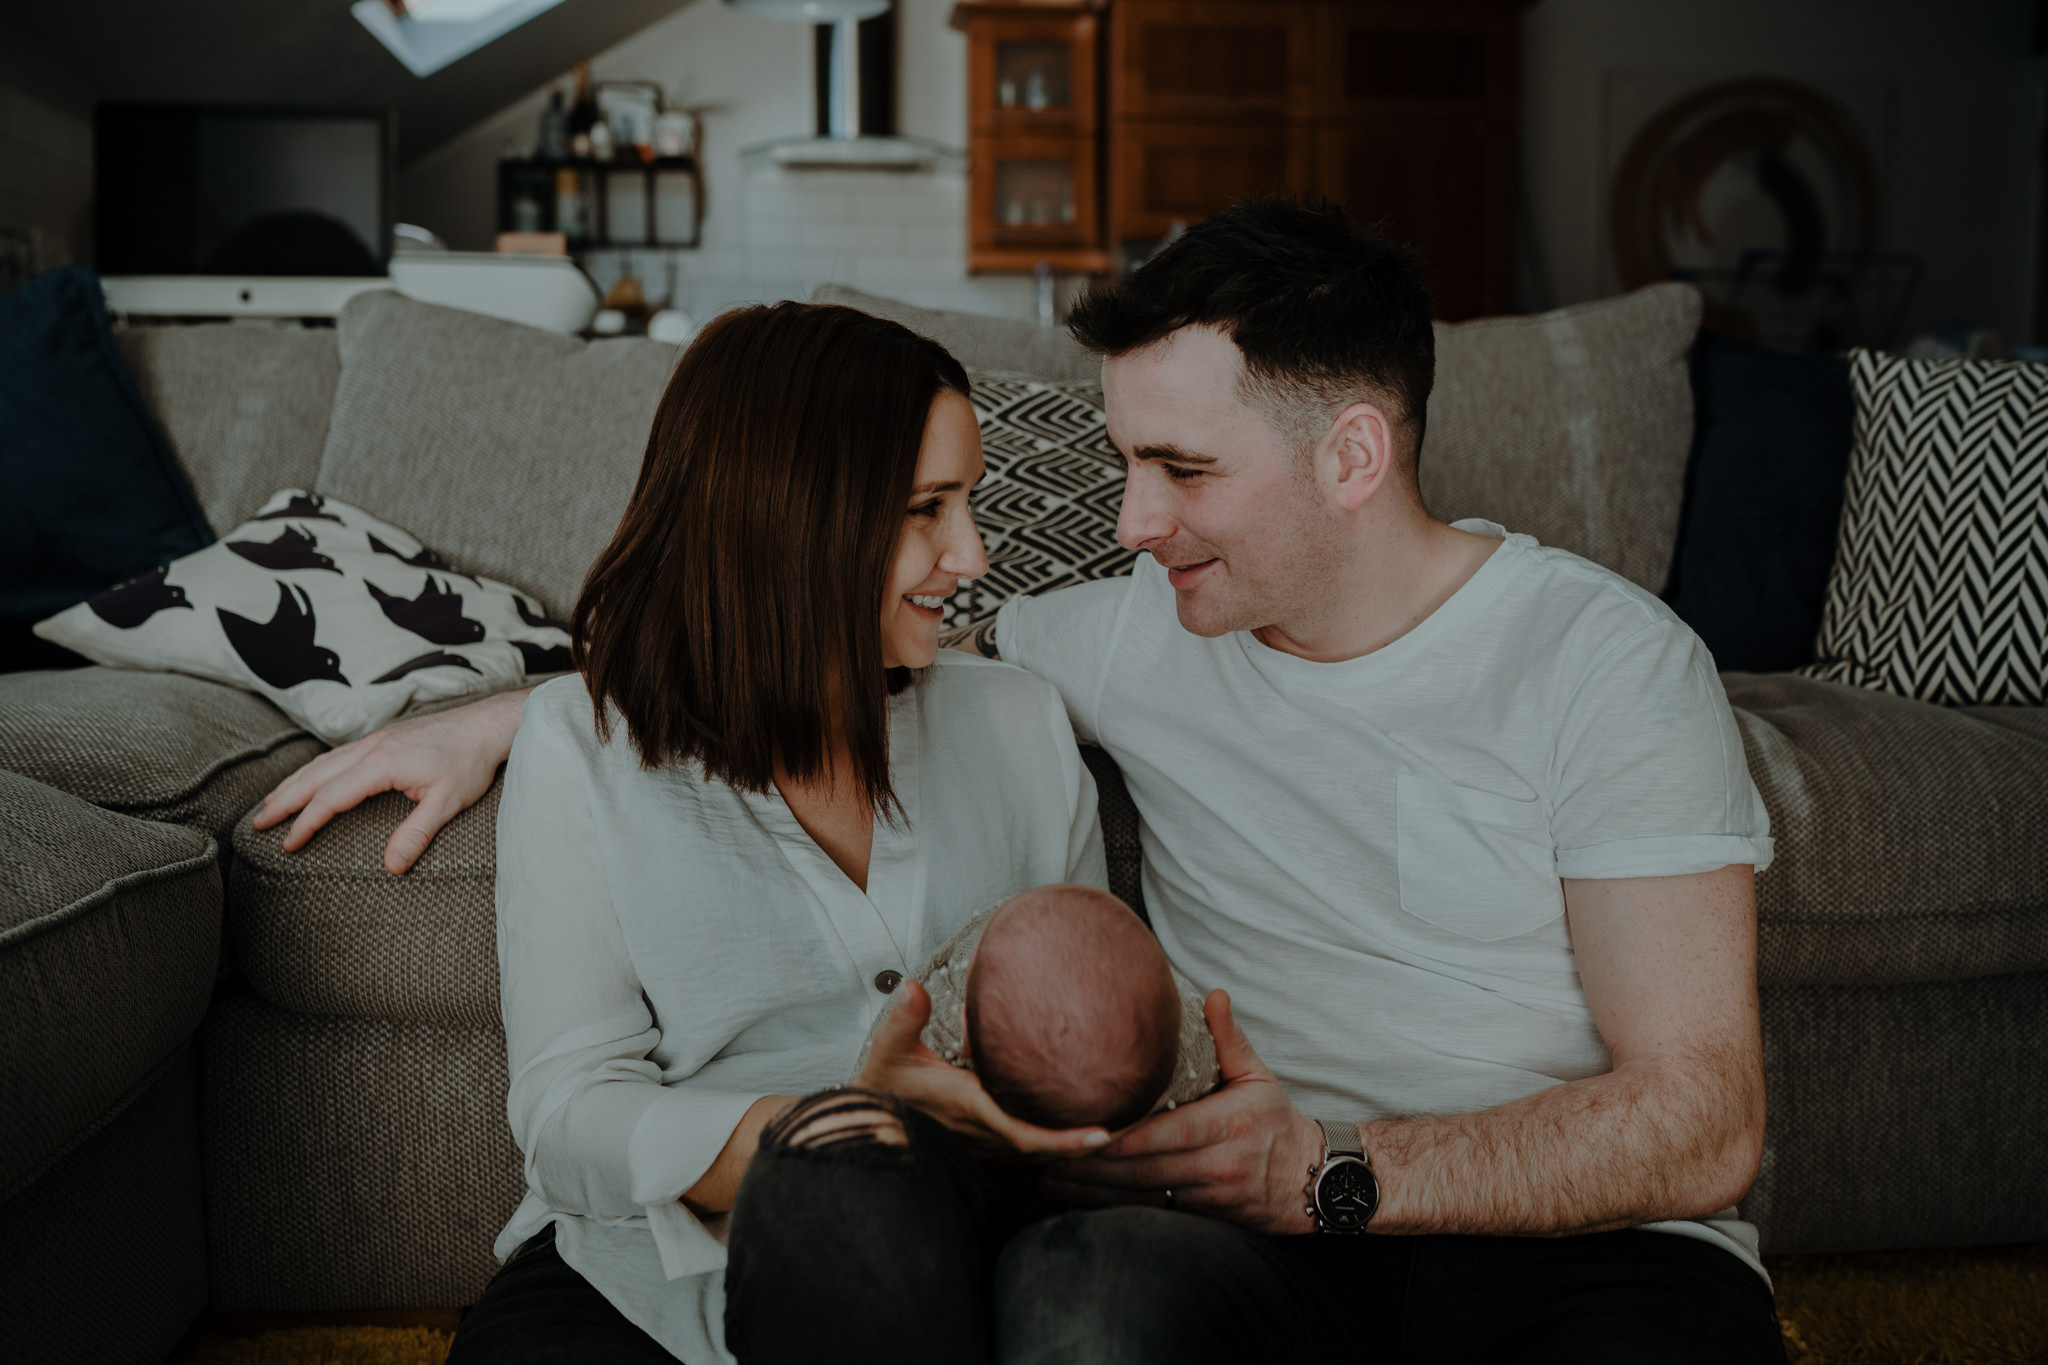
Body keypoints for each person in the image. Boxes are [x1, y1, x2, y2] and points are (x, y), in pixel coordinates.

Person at [262, 198, 1786, 1363]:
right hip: (1230, 1234)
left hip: (1554, 1237)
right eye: (1125, 463)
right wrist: (519, 714)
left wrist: (1328, 1169)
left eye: (1182, 472)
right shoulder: (1117, 637)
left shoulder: (1606, 663)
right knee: (1084, 1304)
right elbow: (789, 626)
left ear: (1353, 456)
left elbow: (1705, 1121)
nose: (1126, 524)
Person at [439, 301, 1118, 1365]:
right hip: (650, 1262)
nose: (973, 553)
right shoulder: (581, 746)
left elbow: (1095, 1020)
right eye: (924, 509)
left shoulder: (1018, 724)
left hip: (961, 1229)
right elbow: (571, 1120)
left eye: (968, 501)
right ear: (790, 517)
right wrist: (831, 1131)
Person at [853, 883, 1218, 1131]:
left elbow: (868, 1086)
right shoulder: (1181, 1067)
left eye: (967, 972)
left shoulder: (936, 1042)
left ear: (965, 1033)